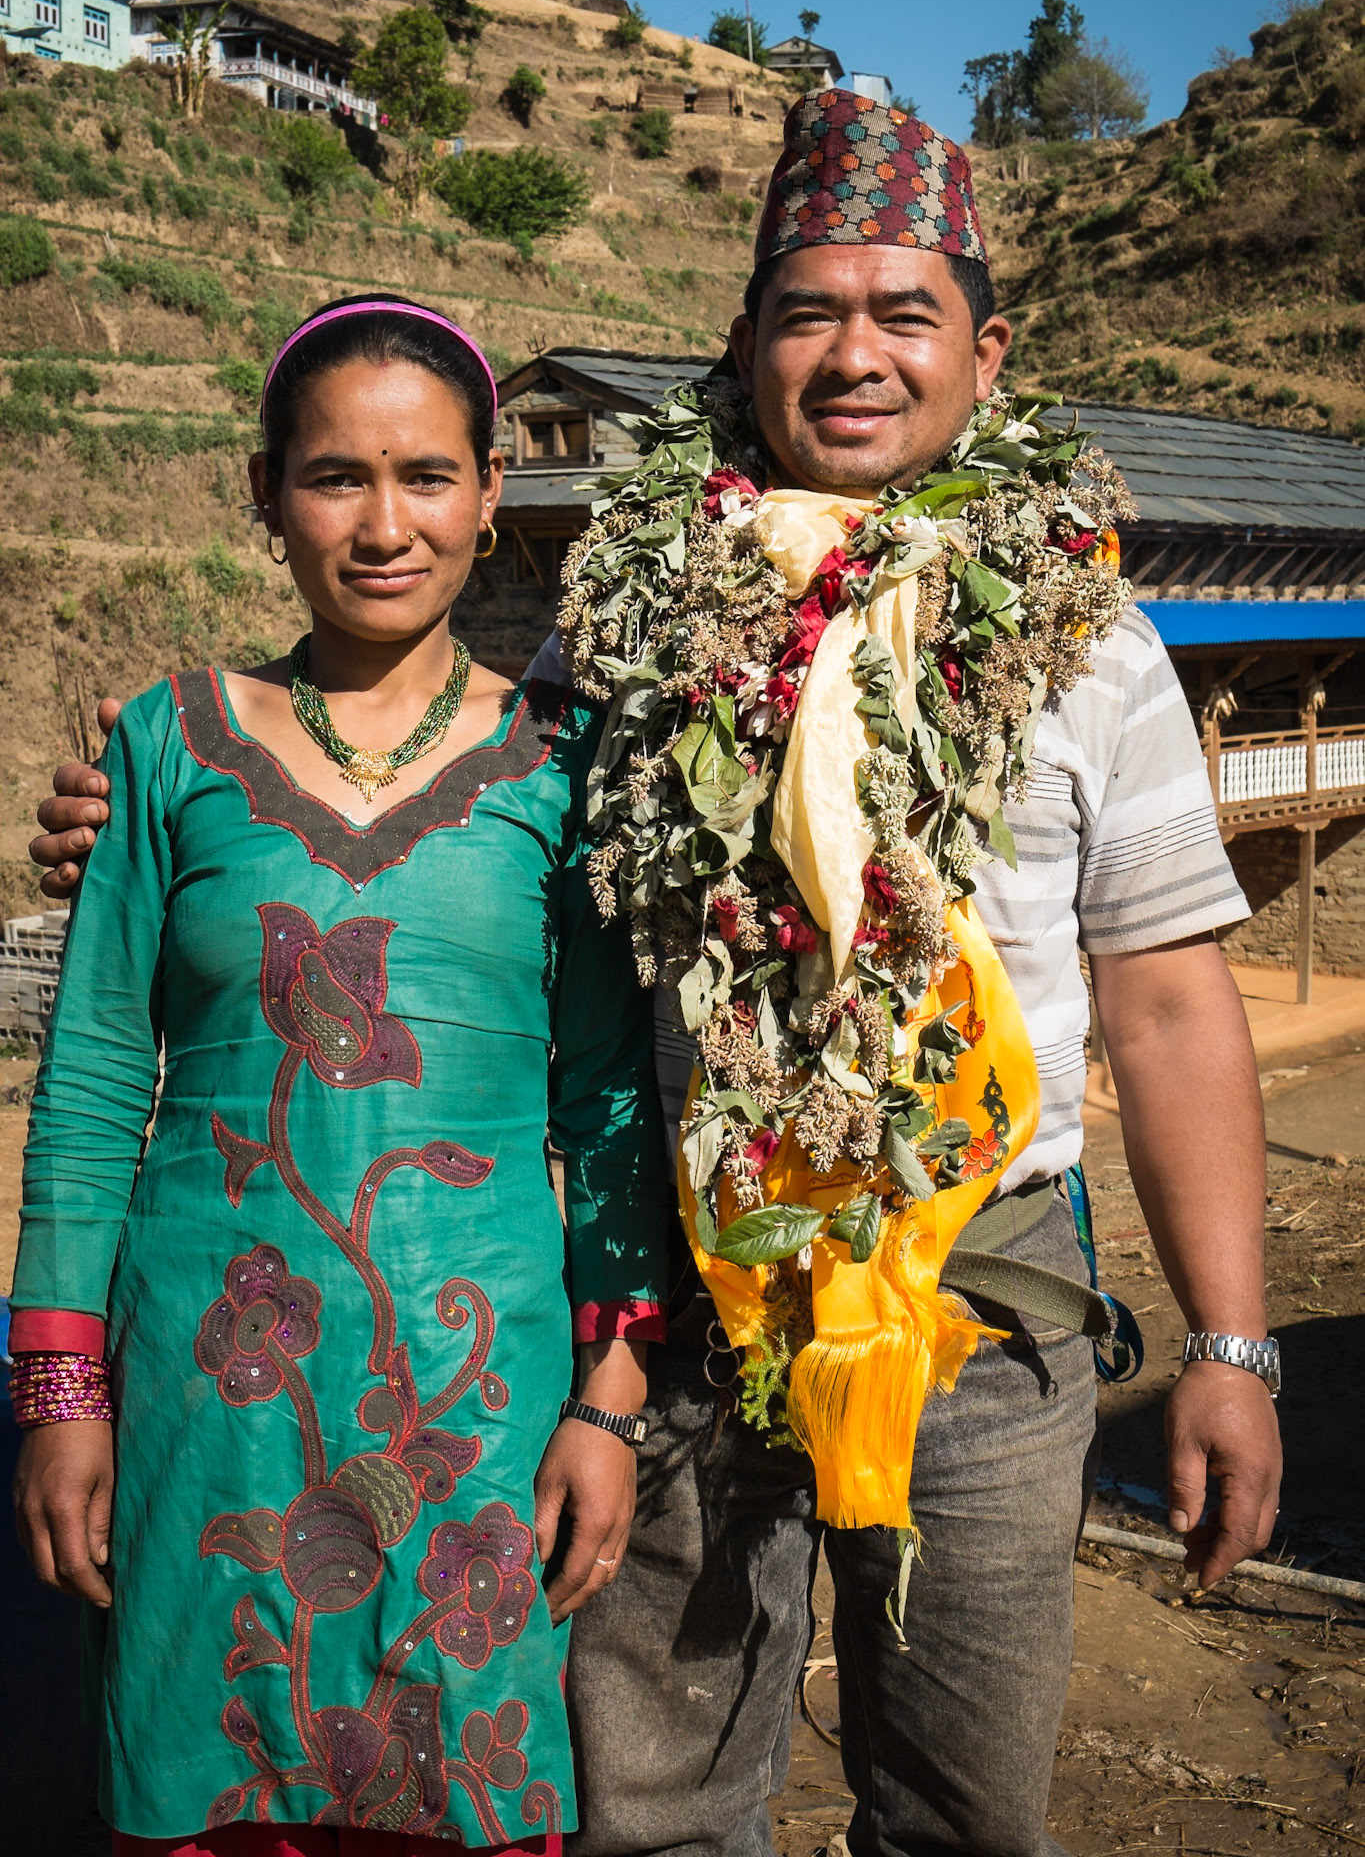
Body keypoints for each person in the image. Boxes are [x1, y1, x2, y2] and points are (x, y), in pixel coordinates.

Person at [33, 97, 1284, 1857]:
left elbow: (1164, 1009)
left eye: (902, 314)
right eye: (806, 314)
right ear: (743, 344)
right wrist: (145, 812)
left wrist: (1231, 1345)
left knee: (963, 1807)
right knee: (657, 1814)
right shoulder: (621, 634)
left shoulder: (1089, 647)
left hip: (979, 1324)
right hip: (679, 1327)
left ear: (983, 353)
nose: (852, 357)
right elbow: (424, 786)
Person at [12, 294, 668, 1857]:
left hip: (480, 1408)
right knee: (209, 1759)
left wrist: (612, 1400)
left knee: (466, 1783)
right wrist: (56, 1390)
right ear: (264, 496)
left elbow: (611, 1109)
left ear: (491, 490)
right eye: (333, 478)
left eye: (427, 475)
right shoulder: (165, 749)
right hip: (207, 1394)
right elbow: (98, 1080)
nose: (385, 525)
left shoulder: (564, 769)